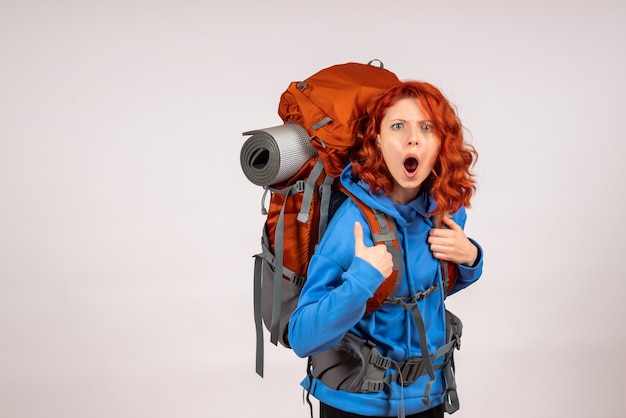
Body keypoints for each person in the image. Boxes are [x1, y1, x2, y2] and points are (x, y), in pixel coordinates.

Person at [288, 81, 484, 418]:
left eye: (427, 127)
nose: (413, 138)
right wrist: (360, 283)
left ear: (440, 142)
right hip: (356, 404)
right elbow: (302, 336)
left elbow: (432, 288)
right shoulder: (352, 225)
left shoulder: (445, 211)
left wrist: (471, 259)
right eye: (398, 126)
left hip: (428, 395)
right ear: (377, 140)